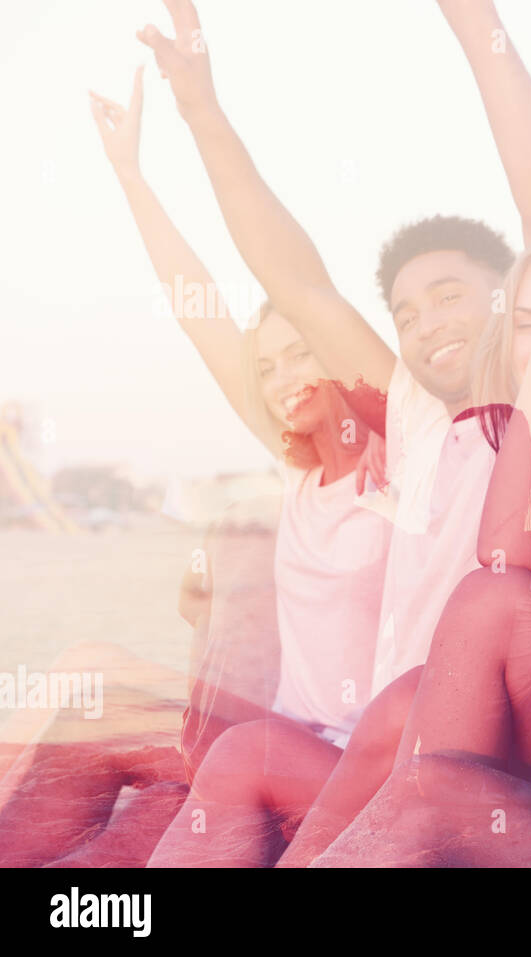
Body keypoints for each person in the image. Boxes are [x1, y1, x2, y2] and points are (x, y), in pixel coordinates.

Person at [135, 0, 531, 866]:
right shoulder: (421, 426)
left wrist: (475, 27)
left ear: (516, 295)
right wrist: (200, 109)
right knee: (246, 753)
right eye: (407, 312)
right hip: (380, 745)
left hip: (484, 764)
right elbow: (295, 280)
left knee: (406, 706)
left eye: (452, 293)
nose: (427, 323)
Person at [0, 68, 391, 868]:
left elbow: (301, 283)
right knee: (92, 678)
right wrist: (131, 174)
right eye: (269, 364)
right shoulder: (298, 471)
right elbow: (196, 306)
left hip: (340, 771)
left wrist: (200, 111)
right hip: (265, 736)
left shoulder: (407, 466)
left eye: (301, 352)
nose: (285, 376)